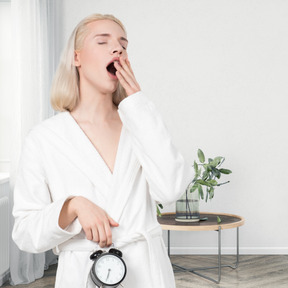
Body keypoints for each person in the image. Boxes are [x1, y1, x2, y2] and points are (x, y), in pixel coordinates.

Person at [12, 13, 193, 287]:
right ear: (77, 58)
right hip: (82, 274)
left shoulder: (140, 126)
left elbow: (170, 190)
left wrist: (138, 107)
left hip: (146, 272)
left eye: (123, 44)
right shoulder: (44, 139)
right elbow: (25, 233)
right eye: (103, 41)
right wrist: (72, 206)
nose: (118, 48)